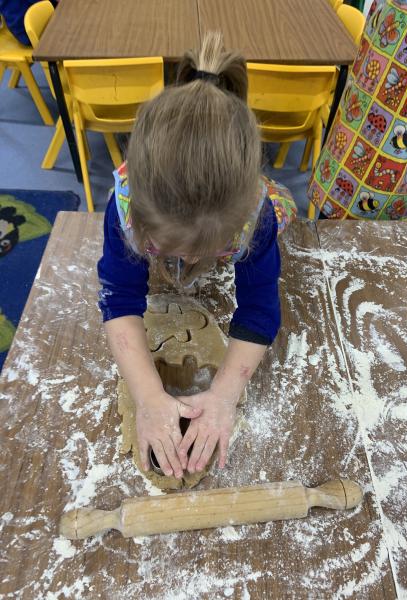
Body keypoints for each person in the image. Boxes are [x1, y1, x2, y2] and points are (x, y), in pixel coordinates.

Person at [97, 33, 297, 481]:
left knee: (286, 211)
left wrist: (225, 394)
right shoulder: (125, 207)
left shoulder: (256, 215)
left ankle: (271, 209)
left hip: (256, 207)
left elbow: (260, 308)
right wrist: (148, 397)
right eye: (171, 250)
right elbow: (119, 297)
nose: (185, 261)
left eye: (201, 251)